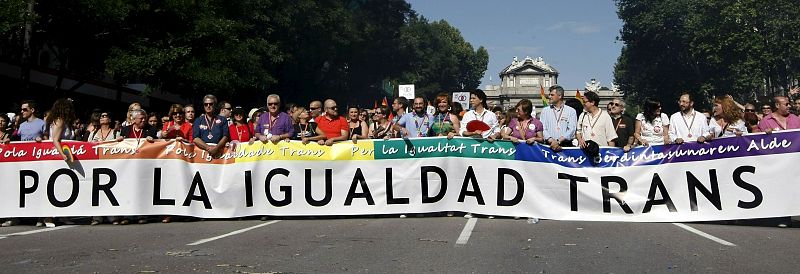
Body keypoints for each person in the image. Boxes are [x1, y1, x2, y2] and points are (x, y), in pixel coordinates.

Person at [540, 85, 577, 152]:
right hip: (548, 146)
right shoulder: (545, 111)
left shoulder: (571, 111)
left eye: (552, 95)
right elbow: (542, 128)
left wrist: (558, 141)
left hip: (565, 146)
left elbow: (572, 129)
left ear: (560, 96)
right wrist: (551, 141)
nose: (549, 97)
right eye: (549, 95)